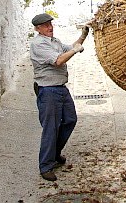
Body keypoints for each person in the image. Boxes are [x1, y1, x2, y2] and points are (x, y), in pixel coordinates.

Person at [30, 13, 89, 181]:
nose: (50, 27)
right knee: (51, 128)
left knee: (70, 120)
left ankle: (55, 152)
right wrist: (74, 51)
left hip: (61, 88)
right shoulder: (38, 45)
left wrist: (83, 36)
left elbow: (71, 47)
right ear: (37, 29)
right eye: (45, 25)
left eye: (50, 24)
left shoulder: (54, 41)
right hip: (48, 91)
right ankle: (46, 166)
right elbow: (58, 61)